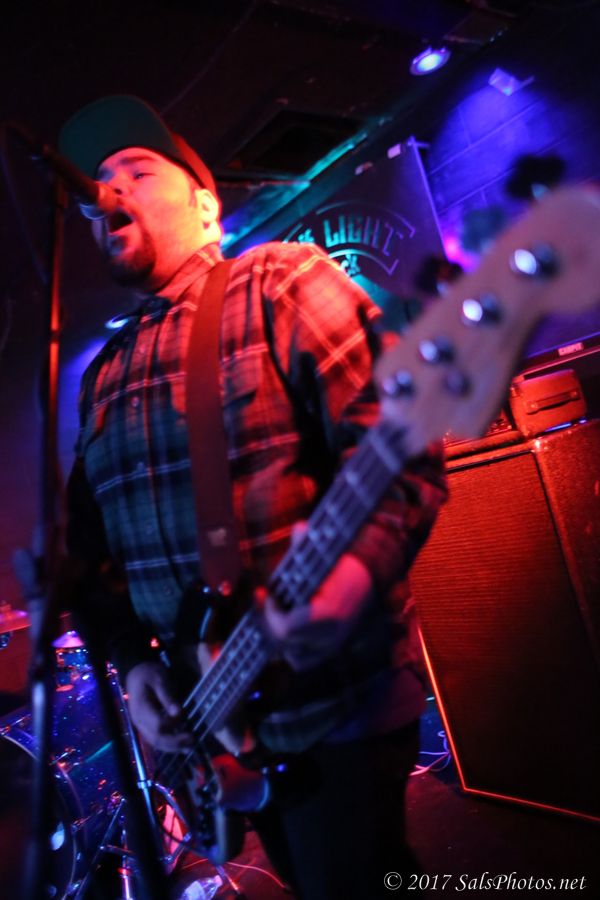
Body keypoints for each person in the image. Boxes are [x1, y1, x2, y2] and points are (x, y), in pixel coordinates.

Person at [59, 95, 446, 899]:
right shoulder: (101, 379)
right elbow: (88, 560)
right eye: (99, 180)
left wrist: (348, 580)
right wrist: (135, 665)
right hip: (216, 722)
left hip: (332, 707)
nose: (110, 189)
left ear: (206, 205)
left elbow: (401, 444)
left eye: (138, 170)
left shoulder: (277, 280)